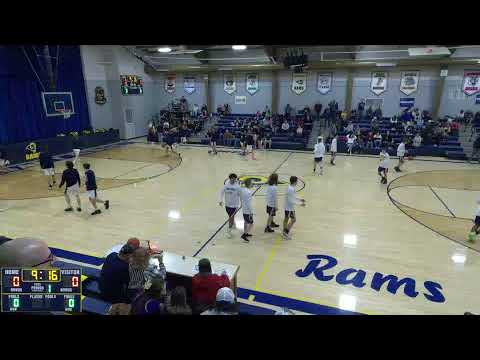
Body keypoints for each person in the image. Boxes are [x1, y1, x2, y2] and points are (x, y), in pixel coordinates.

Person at [282, 176, 306, 240]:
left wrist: (300, 199)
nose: (297, 182)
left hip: (287, 206)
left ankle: (284, 231)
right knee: (293, 220)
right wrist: (300, 204)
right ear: (295, 181)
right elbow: (291, 200)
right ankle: (286, 233)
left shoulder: (290, 187)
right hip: (289, 208)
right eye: (297, 181)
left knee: (286, 219)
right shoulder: (291, 189)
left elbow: (293, 196)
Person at [219, 173, 241, 238]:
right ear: (230, 178)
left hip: (235, 205)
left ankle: (229, 230)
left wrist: (242, 202)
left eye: (235, 179)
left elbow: (241, 194)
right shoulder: (226, 185)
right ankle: (232, 224)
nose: (233, 180)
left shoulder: (237, 186)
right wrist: (220, 200)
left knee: (231, 217)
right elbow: (221, 192)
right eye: (232, 179)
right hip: (227, 204)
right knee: (230, 216)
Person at [240, 178, 254, 242]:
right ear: (249, 184)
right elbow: (249, 203)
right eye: (251, 183)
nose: (252, 184)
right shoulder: (248, 192)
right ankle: (244, 235)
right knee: (251, 223)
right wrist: (251, 212)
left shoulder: (243, 190)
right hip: (248, 211)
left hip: (244, 209)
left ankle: (246, 232)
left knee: (245, 222)